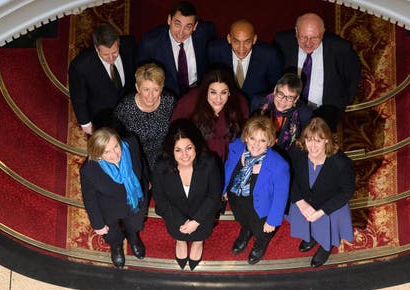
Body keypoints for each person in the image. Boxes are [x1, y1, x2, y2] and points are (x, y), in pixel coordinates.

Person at [152, 119, 223, 270]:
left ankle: (198, 243)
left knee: (199, 237)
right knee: (179, 235)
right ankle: (180, 241)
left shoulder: (210, 162)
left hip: (203, 215)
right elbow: (160, 198)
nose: (184, 155)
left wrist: (196, 221)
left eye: (188, 148)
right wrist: (180, 222)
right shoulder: (161, 166)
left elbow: (214, 196)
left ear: (196, 145)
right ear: (171, 150)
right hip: (174, 215)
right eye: (178, 150)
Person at [286, 117, 356, 267]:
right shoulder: (298, 152)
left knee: (326, 229)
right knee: (306, 224)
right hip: (304, 201)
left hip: (329, 207)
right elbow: (288, 176)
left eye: (318, 140)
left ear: (327, 140)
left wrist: (322, 212)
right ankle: (311, 237)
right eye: (309, 140)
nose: (312, 146)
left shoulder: (341, 163)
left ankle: (326, 246)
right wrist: (301, 203)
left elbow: (347, 191)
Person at [273, 13, 361, 129]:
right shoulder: (282, 42)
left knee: (317, 138)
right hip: (290, 104)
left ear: (323, 33)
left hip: (326, 108)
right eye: (303, 37)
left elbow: (352, 78)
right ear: (296, 32)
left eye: (314, 38)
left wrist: (342, 101)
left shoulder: (341, 48)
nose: (308, 43)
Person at [223, 115, 290, 264]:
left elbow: (280, 197)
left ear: (270, 142)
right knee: (242, 219)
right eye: (253, 138)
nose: (256, 144)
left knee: (261, 231)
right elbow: (228, 169)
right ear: (246, 136)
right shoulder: (236, 148)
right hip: (237, 199)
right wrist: (225, 189)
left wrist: (272, 221)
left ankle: (260, 243)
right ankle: (246, 231)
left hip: (261, 207)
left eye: (262, 140)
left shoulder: (279, 165)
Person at [79, 127, 149, 268]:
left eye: (116, 146)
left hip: (135, 199)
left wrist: (146, 180)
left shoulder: (131, 143)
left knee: (135, 224)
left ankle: (133, 239)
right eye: (107, 152)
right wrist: (97, 223)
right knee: (112, 233)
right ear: (98, 153)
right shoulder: (89, 169)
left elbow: (141, 161)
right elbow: (89, 198)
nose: (115, 154)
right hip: (109, 207)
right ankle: (116, 247)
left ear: (119, 141)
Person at [136, 1, 216, 98]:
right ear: (169, 20)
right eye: (177, 24)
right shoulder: (150, 43)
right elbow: (141, 76)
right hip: (165, 96)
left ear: (195, 26)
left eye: (188, 27)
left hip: (198, 93)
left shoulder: (205, 33)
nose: (181, 33)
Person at [68, 24, 136, 135]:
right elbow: (78, 98)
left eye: (114, 53)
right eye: (105, 54)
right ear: (96, 48)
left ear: (118, 44)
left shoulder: (129, 44)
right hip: (101, 118)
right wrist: (86, 124)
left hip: (129, 111)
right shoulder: (80, 66)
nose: (111, 58)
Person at [171, 66, 249, 162]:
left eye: (223, 93)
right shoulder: (189, 102)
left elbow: (246, 136)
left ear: (229, 93)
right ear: (205, 91)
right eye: (213, 93)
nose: (218, 99)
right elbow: (175, 134)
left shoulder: (240, 103)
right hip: (197, 162)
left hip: (230, 162)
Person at [207, 18, 282, 109]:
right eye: (236, 41)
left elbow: (276, 87)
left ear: (254, 39)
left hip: (255, 110)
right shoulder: (214, 51)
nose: (241, 48)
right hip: (222, 107)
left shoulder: (270, 55)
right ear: (229, 38)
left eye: (247, 42)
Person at [113, 62, 175, 170]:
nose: (150, 96)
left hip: (165, 159)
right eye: (146, 90)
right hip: (136, 162)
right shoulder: (125, 107)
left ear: (162, 87)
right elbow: (116, 140)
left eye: (156, 90)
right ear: (137, 87)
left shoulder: (169, 101)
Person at [257, 73, 313, 153]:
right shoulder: (259, 103)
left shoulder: (305, 115)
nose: (283, 101)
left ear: (296, 99)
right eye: (281, 94)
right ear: (275, 89)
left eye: (290, 97)